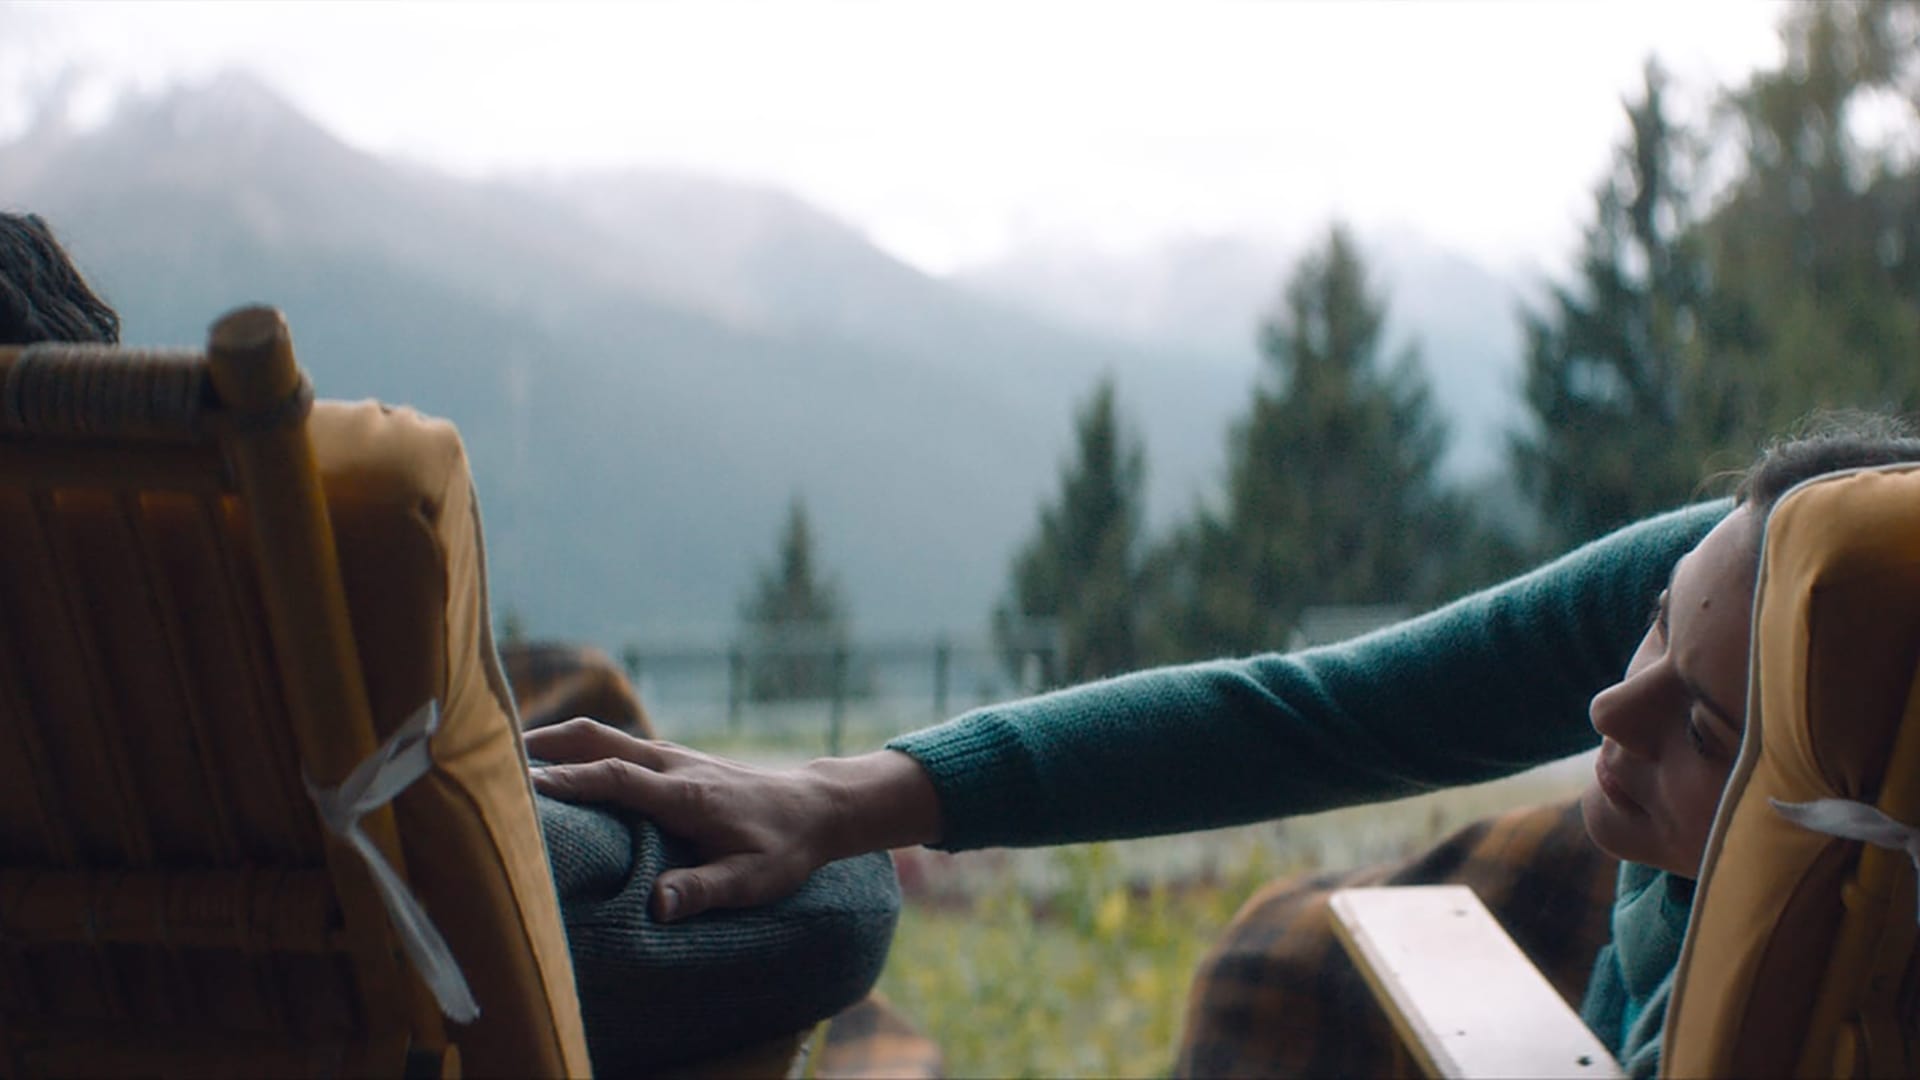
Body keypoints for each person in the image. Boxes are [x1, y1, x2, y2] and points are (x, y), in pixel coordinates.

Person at [528, 415, 1920, 1075]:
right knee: (1279, 955)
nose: (1609, 712)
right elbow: (1321, 709)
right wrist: (857, 796)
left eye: (1706, 728)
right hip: (1646, 880)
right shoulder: (1769, 556)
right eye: (1649, 627)